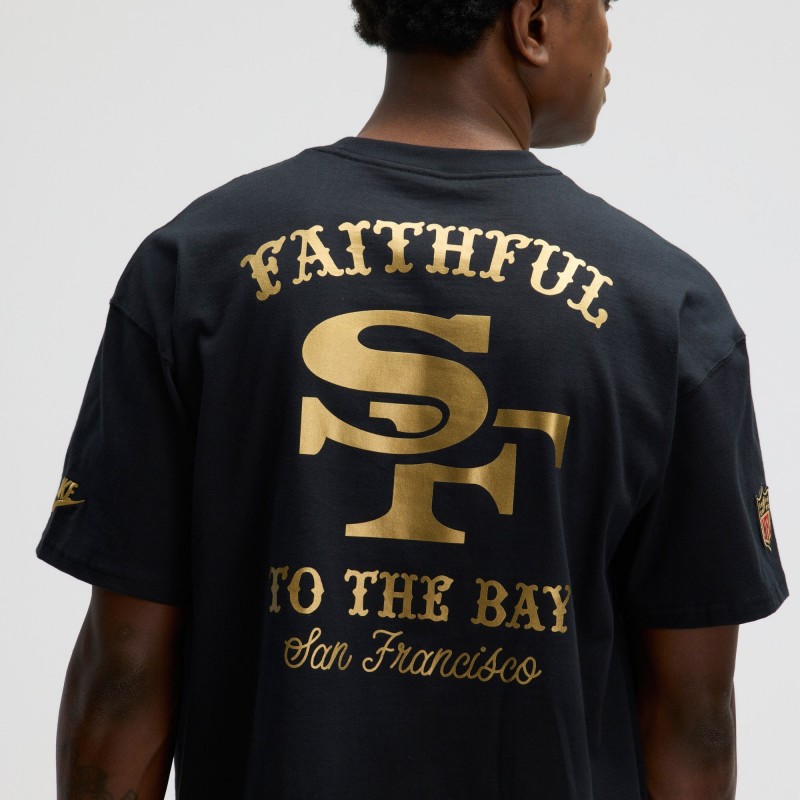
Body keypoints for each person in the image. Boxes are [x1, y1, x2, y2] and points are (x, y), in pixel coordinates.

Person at [38, 0, 788, 798]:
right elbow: (691, 720)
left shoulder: (194, 271)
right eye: (604, 5)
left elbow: (123, 676)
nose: (611, 34)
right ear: (533, 23)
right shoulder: (667, 314)